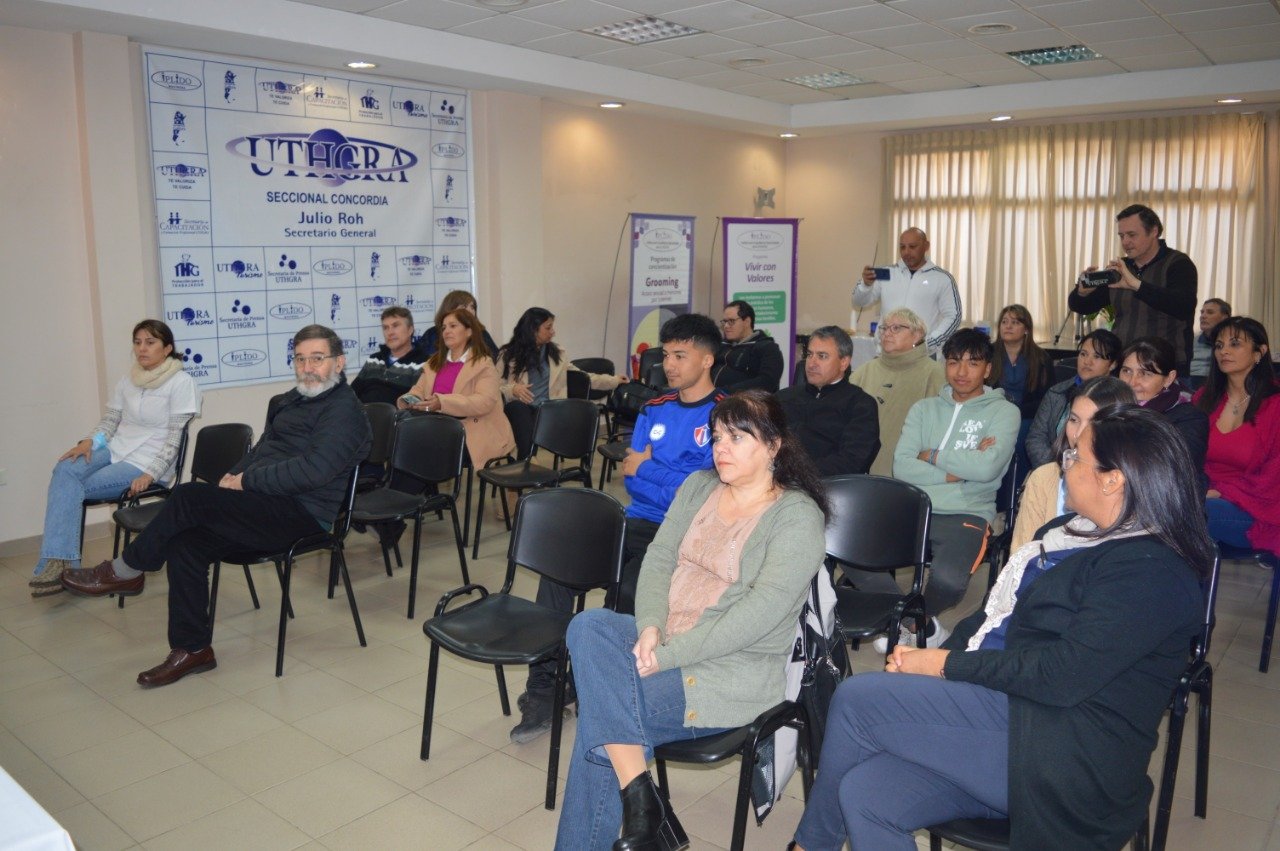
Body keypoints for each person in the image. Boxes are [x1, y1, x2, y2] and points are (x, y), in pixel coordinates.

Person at [792, 405, 1211, 851]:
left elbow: (1063, 675)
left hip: (1064, 750)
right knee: (865, 791)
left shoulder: (1151, 571)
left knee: (859, 700)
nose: (1063, 466)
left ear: (1113, 479)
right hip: (1007, 721)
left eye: (1075, 458)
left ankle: (808, 846)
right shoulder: (1067, 533)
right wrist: (932, 664)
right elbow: (989, 618)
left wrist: (946, 666)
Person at [554, 390, 829, 851]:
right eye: (718, 436)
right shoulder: (700, 486)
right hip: (664, 643)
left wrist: (666, 655)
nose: (721, 448)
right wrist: (649, 628)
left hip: (728, 670)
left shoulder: (797, 517)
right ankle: (643, 800)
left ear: (775, 446)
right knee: (589, 625)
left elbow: (755, 616)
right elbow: (660, 558)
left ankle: (642, 813)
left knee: (603, 723)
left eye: (737, 438)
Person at [60, 325, 371, 686]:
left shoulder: (345, 412)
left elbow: (313, 471)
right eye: (300, 359)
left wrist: (247, 481)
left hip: (302, 515)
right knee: (185, 542)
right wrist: (233, 476)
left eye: (318, 358)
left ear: (339, 362)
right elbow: (263, 451)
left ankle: (126, 570)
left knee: (190, 495)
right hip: (263, 505)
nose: (307, 367)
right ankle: (193, 650)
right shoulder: (291, 401)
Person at [510, 313, 723, 745]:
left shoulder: (727, 414)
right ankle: (548, 684)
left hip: (685, 534)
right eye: (667, 355)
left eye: (681, 355)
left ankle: (607, 687)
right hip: (636, 518)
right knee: (559, 572)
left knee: (628, 592)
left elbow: (704, 494)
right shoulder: (654, 408)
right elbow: (630, 475)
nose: (670, 364)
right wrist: (666, 474)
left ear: (707, 360)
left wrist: (654, 469)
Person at [30, 319, 201, 597]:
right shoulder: (130, 379)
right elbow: (110, 421)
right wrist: (89, 441)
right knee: (65, 468)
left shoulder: (182, 383)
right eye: (137, 342)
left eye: (150, 342)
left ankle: (60, 567)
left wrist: (151, 474)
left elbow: (174, 439)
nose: (142, 349)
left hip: (145, 461)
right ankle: (60, 562)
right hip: (116, 449)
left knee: (74, 487)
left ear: (167, 348)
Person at [879, 328, 1019, 649]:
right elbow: (902, 466)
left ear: (987, 369)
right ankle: (905, 617)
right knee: (851, 553)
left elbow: (986, 468)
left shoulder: (1004, 412)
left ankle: (915, 622)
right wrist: (955, 470)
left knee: (949, 581)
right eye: (954, 362)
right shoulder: (924, 410)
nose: (961, 371)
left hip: (965, 511)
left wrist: (932, 456)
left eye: (973, 363)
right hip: (913, 506)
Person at [1069, 203, 1198, 372]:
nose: (1125, 242)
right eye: (1121, 236)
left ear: (1154, 232)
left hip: (1165, 368)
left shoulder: (1178, 264)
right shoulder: (1120, 269)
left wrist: (1137, 285)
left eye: (1131, 235)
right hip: (1123, 365)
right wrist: (1082, 292)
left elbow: (1183, 306)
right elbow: (1081, 306)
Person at [1011, 376, 1135, 551]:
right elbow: (1020, 556)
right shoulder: (1044, 478)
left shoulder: (1137, 483)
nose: (1078, 434)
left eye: (1093, 423)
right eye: (1074, 420)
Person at [1193, 316, 1280, 551]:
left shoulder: (1275, 406)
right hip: (1203, 495)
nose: (1224, 351)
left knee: (1194, 514)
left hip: (1257, 507)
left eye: (1235, 344)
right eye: (1219, 346)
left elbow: (1275, 476)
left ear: (1259, 352)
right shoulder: (1203, 399)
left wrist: (1222, 492)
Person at [497, 307, 626, 459]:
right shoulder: (508, 354)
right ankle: (528, 461)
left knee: (533, 418)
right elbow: (494, 387)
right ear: (532, 329)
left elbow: (584, 377)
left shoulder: (557, 353)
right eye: (548, 327)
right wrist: (513, 389)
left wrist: (614, 380)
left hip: (549, 409)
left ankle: (525, 463)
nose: (553, 332)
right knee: (519, 410)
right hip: (520, 408)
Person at [398, 309, 515, 471]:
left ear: (469, 331)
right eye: (444, 327)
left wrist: (442, 403)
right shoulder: (434, 362)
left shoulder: (483, 363)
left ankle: (415, 492)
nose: (446, 331)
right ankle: (418, 492)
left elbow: (484, 402)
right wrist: (410, 399)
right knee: (404, 430)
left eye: (453, 326)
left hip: (470, 432)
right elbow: (418, 390)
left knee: (414, 444)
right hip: (435, 428)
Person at [850, 307, 946, 477]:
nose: (887, 333)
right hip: (860, 470)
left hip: (912, 473)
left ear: (917, 335)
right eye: (884, 328)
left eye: (896, 328)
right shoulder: (864, 371)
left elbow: (938, 431)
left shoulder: (934, 373)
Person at [778, 326, 879, 475]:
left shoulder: (860, 405)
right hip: (776, 484)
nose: (812, 363)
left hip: (830, 488)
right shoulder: (782, 398)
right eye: (809, 354)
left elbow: (852, 461)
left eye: (822, 356)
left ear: (844, 362)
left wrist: (798, 474)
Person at [1118, 337, 1207, 490]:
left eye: (1145, 374)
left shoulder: (1189, 419)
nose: (1132, 382)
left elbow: (1172, 475)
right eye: (1127, 371)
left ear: (1169, 379)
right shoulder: (1109, 406)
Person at [853, 227, 961, 355]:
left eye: (912, 246)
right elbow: (859, 301)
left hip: (921, 356)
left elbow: (954, 316)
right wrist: (865, 285)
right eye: (902, 247)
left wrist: (929, 343)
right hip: (885, 354)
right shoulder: (886, 272)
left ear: (926, 246)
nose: (906, 252)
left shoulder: (942, 278)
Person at [1024, 329, 1122, 469]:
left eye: (1097, 356)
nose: (1087, 361)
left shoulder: (1118, 400)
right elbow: (1036, 437)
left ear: (1112, 364)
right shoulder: (1056, 392)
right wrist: (1057, 468)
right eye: (1083, 354)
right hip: (1051, 470)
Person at [986, 305, 1053, 486]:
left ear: (1026, 329)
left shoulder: (1041, 358)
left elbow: (1046, 399)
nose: (1008, 326)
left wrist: (1015, 411)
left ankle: (1015, 493)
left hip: (1027, 416)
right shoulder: (989, 354)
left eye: (1015, 322)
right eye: (1004, 322)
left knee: (1023, 436)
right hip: (993, 414)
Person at [350, 306, 427, 405]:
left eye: (395, 326)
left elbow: (415, 403)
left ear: (410, 330)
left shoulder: (424, 363)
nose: (390, 332)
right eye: (386, 328)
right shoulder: (374, 360)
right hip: (360, 416)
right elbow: (352, 393)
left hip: (396, 418)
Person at [713, 300, 783, 392]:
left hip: (744, 403)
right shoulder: (720, 345)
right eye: (724, 321)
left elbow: (767, 382)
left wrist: (726, 392)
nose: (726, 326)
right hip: (711, 400)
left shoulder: (767, 348)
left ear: (746, 321)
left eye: (731, 321)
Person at [416, 289, 498, 359]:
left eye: (472, 307)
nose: (470, 311)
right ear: (450, 309)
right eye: (463, 307)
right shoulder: (432, 334)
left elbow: (494, 360)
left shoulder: (481, 333)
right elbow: (421, 361)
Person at [1190, 298, 1231, 380]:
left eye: (1210, 312)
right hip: (1189, 383)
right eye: (1202, 312)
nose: (1203, 316)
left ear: (1224, 318)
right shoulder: (1190, 341)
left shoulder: (1233, 342)